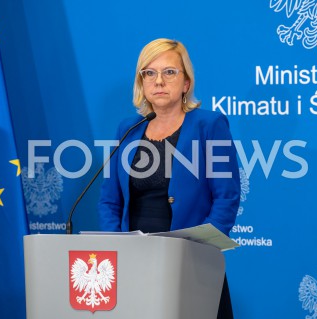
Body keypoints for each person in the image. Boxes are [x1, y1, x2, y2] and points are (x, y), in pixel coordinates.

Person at [97, 38, 240, 319]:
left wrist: (203, 251)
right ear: (142, 82)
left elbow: (227, 196)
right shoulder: (128, 128)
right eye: (149, 73)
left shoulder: (209, 125)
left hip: (191, 261)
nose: (158, 81)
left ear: (186, 82)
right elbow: (109, 199)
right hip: (135, 262)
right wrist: (116, 248)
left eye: (169, 72)